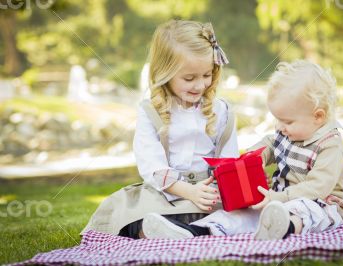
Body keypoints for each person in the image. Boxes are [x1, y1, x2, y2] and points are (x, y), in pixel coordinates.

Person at [148, 60, 343, 240]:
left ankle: (285, 228)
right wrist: (256, 158)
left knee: (305, 211)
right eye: (278, 119)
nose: (280, 126)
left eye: (287, 121)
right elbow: (270, 144)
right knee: (240, 214)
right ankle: (194, 231)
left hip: (323, 204)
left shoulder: (329, 145)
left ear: (318, 116)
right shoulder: (290, 133)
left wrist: (278, 199)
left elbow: (317, 188)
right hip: (278, 200)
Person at [81, 20, 239, 239]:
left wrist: (235, 184)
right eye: (189, 78)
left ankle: (189, 230)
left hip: (209, 191)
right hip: (168, 191)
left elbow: (229, 159)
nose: (200, 85)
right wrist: (188, 191)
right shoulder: (150, 111)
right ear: (165, 73)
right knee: (135, 214)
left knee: (240, 213)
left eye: (207, 75)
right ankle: (162, 230)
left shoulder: (222, 111)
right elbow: (152, 165)